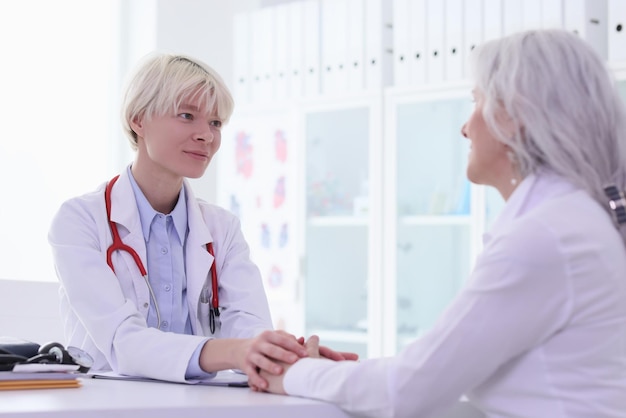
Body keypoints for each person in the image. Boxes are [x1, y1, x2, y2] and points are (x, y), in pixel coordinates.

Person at [262, 29, 626, 417]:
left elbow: (407, 391)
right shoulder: (567, 219)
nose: (465, 127)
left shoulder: (544, 237)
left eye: (476, 102)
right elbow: (449, 380)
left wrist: (294, 372)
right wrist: (347, 378)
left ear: (515, 114)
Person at [48, 53, 355, 389]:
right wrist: (237, 351)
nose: (206, 136)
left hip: (200, 404)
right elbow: (123, 342)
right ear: (139, 119)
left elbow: (248, 326)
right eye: (187, 115)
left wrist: (280, 356)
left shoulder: (222, 228)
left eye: (215, 123)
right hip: (105, 403)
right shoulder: (79, 221)